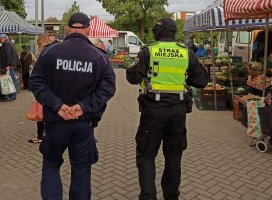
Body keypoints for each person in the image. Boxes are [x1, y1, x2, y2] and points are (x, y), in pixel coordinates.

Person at [29, 12, 116, 199]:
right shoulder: (99, 56)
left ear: (67, 28)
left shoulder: (50, 52)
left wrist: (58, 106)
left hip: (55, 123)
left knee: (51, 165)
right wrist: (83, 107)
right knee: (81, 170)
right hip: (83, 125)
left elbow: (35, 82)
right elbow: (108, 87)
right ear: (88, 29)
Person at [126, 18, 208, 200]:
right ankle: (171, 196)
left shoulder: (149, 50)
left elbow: (132, 78)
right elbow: (202, 81)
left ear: (156, 33)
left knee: (146, 155)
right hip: (178, 113)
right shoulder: (186, 53)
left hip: (152, 112)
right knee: (173, 157)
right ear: (174, 32)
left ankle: (148, 196)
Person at [28, 35, 54, 144]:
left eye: (38, 45)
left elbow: (38, 76)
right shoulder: (54, 52)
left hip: (44, 89)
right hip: (53, 89)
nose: (38, 47)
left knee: (40, 114)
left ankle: (40, 136)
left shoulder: (44, 55)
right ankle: (48, 135)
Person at [0, 33, 21, 100]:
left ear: (1, 38)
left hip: (10, 65)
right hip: (13, 65)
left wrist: (8, 65)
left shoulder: (6, 44)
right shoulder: (10, 43)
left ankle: (12, 96)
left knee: (10, 80)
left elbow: (8, 55)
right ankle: (12, 95)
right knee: (12, 80)